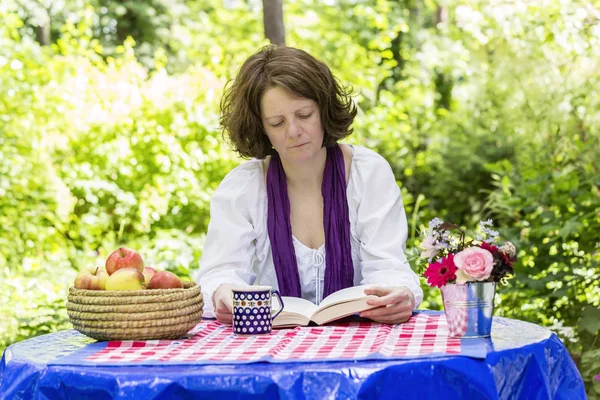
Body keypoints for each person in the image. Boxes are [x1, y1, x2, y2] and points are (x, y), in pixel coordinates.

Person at [196, 45, 423, 325]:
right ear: (261, 128)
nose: (294, 132)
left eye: (304, 115)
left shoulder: (369, 173)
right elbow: (219, 274)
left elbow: (388, 266)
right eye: (277, 123)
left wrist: (397, 295)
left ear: (324, 109)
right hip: (269, 348)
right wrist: (222, 292)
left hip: (359, 346)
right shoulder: (243, 187)